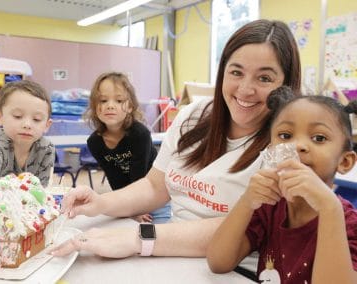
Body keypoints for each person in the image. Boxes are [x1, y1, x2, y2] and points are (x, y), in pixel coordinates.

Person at [51, 19, 301, 272]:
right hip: (172, 257)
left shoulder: (287, 144)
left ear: (286, 84)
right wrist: (102, 203)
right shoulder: (195, 115)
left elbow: (244, 227)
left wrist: (140, 238)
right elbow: (155, 185)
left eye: (265, 78)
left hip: (236, 270)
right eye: (236, 72)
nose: (246, 89)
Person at [206, 88, 357, 283]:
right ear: (270, 150)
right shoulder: (269, 209)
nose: (297, 145)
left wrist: (329, 209)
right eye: (285, 136)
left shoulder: (349, 225)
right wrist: (247, 200)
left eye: (319, 138)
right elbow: (218, 262)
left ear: (345, 162)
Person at [82, 71, 171, 223]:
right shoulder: (94, 143)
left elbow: (140, 176)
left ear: (130, 106)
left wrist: (137, 209)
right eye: (103, 101)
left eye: (119, 100)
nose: (110, 105)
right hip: (127, 199)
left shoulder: (139, 134)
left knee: (157, 236)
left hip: (154, 195)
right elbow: (114, 177)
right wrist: (127, 210)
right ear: (95, 107)